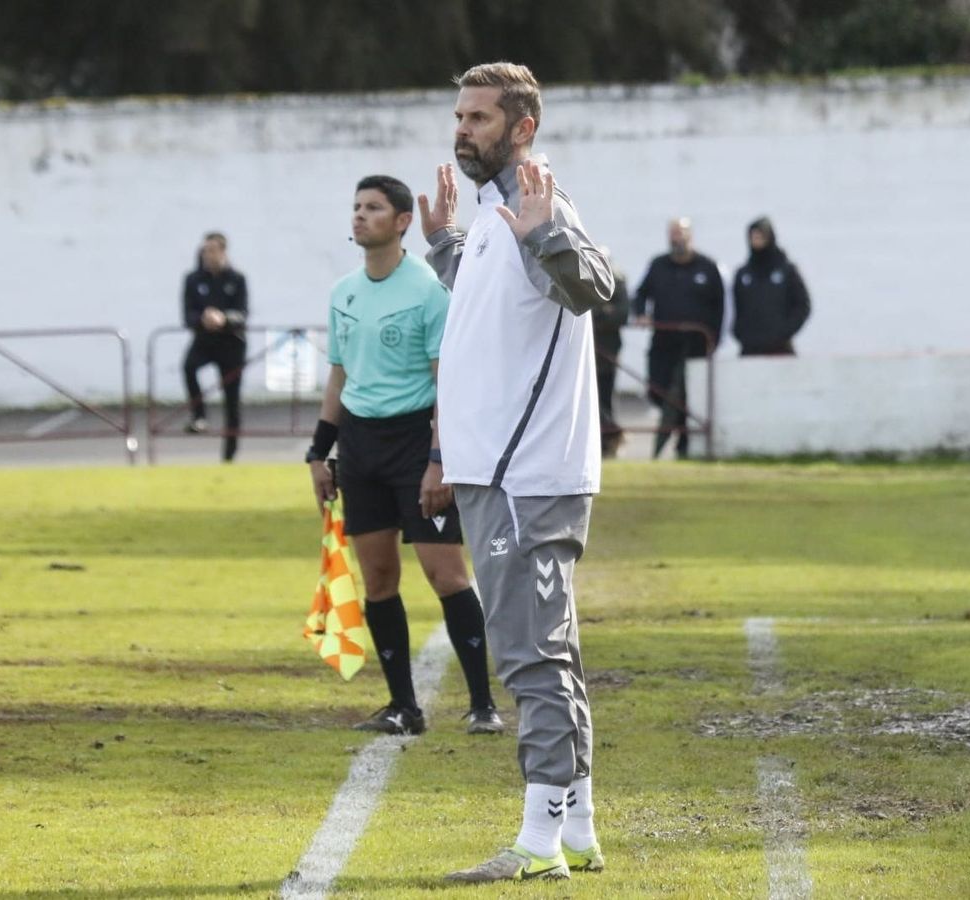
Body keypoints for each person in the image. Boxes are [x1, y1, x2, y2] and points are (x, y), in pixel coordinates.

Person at [419, 61, 614, 882]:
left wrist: (546, 232)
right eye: (460, 116)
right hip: (498, 471)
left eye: (479, 118)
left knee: (531, 657)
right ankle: (578, 830)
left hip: (526, 477)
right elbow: (493, 298)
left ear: (522, 128)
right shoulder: (502, 217)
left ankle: (537, 843)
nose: (463, 129)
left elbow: (591, 286)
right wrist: (441, 246)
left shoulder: (541, 208)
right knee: (549, 651)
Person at [304, 175, 502, 738]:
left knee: (446, 574)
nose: (360, 216)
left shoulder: (428, 291)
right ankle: (402, 706)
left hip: (418, 445)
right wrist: (319, 453)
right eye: (356, 207)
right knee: (380, 578)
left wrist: (439, 461)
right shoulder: (343, 292)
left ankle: (483, 703)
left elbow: (447, 385)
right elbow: (338, 378)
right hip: (361, 449)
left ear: (401, 221)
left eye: (373, 208)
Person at [633, 218, 724, 459]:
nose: (677, 238)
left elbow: (720, 307)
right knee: (658, 391)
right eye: (673, 234)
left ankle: (682, 446)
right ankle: (671, 434)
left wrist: (713, 339)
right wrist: (641, 313)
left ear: (690, 236)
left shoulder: (707, 267)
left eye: (681, 233)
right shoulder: (658, 265)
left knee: (687, 395)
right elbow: (641, 294)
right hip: (663, 343)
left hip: (694, 345)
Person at [180, 232, 248, 462]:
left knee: (231, 402)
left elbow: (242, 314)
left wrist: (224, 318)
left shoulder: (237, 279)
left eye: (212, 250)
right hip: (204, 341)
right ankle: (198, 415)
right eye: (204, 250)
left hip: (231, 344)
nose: (207, 255)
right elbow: (187, 315)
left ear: (222, 251)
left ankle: (229, 456)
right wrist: (203, 319)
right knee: (188, 367)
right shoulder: (193, 279)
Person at [731, 216, 811, 356]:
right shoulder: (743, 274)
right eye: (753, 236)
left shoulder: (787, 271)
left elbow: (802, 305)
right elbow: (732, 308)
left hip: (780, 347)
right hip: (750, 348)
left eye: (761, 236)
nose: (757, 240)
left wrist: (784, 331)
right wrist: (741, 333)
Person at [592, 248, 631, 457]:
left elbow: (621, 314)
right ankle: (609, 436)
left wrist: (598, 314)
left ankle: (610, 436)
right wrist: (602, 311)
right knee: (593, 400)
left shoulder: (617, 280)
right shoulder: (586, 281)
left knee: (604, 398)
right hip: (590, 353)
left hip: (607, 351)